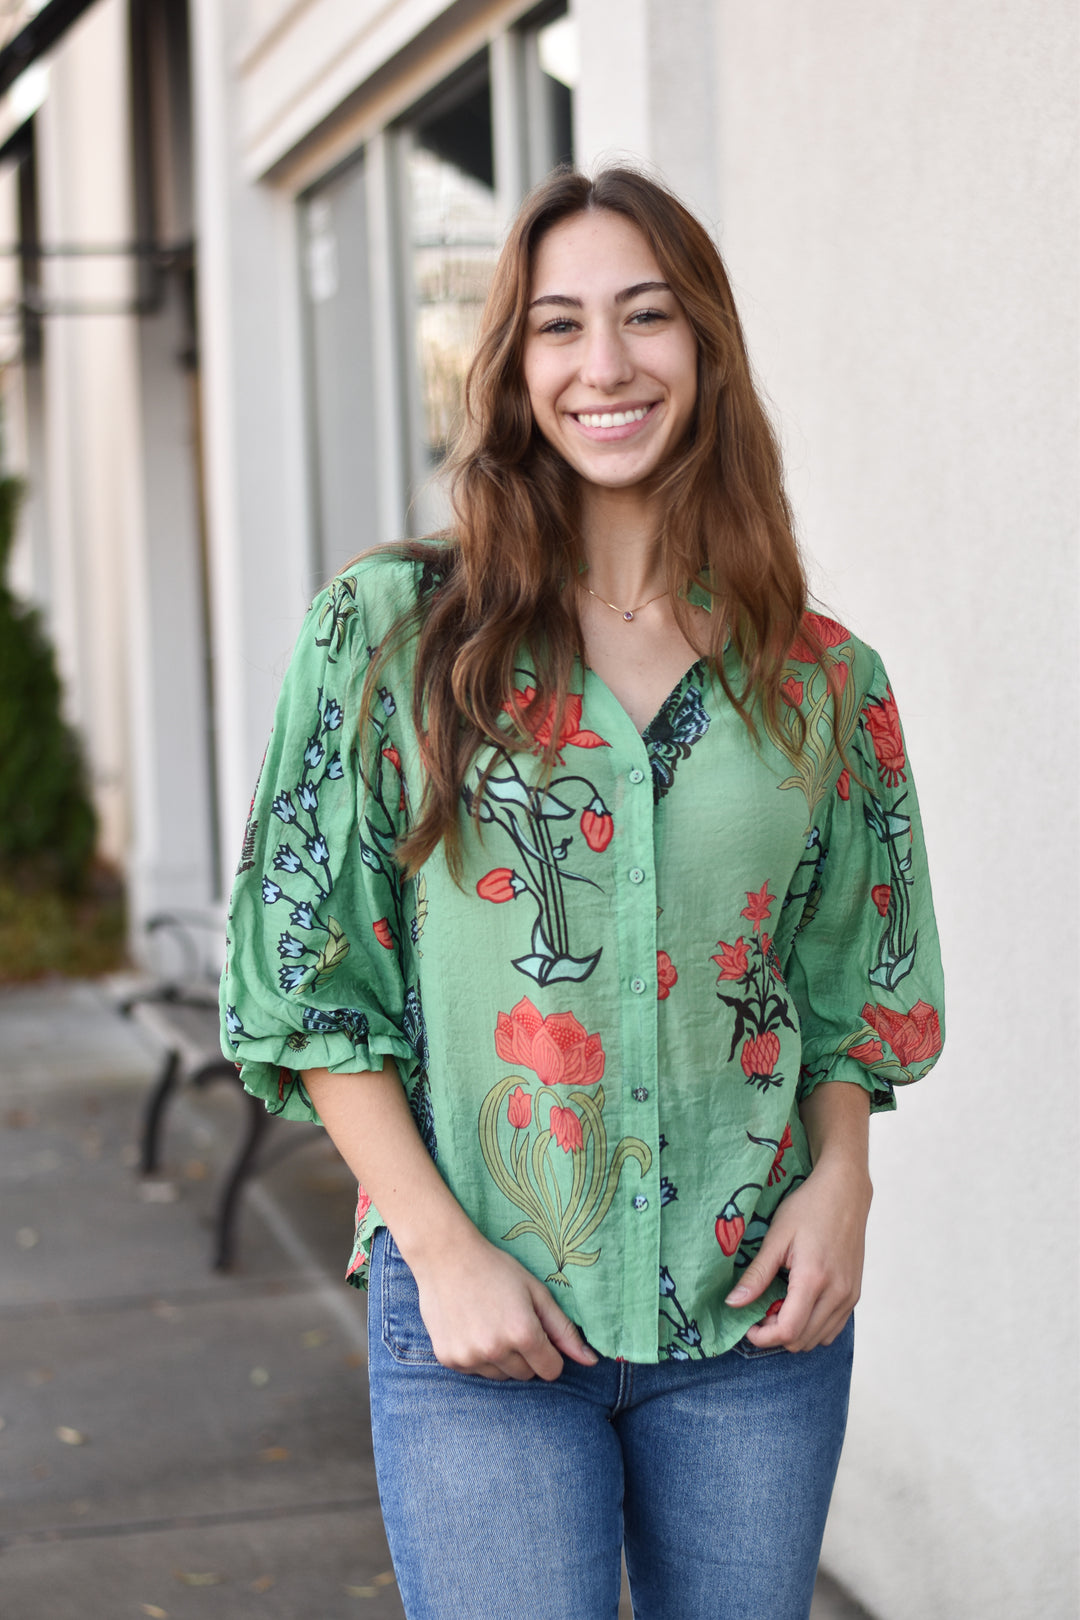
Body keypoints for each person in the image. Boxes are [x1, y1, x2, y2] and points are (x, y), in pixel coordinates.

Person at [221, 165, 945, 1620]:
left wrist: (843, 1184)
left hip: (754, 1327)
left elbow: (851, 976)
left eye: (645, 318)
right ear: (514, 366)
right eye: (559, 326)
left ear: (708, 351)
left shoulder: (822, 677)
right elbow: (306, 975)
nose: (603, 365)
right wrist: (440, 1254)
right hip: (485, 1325)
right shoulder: (392, 633)